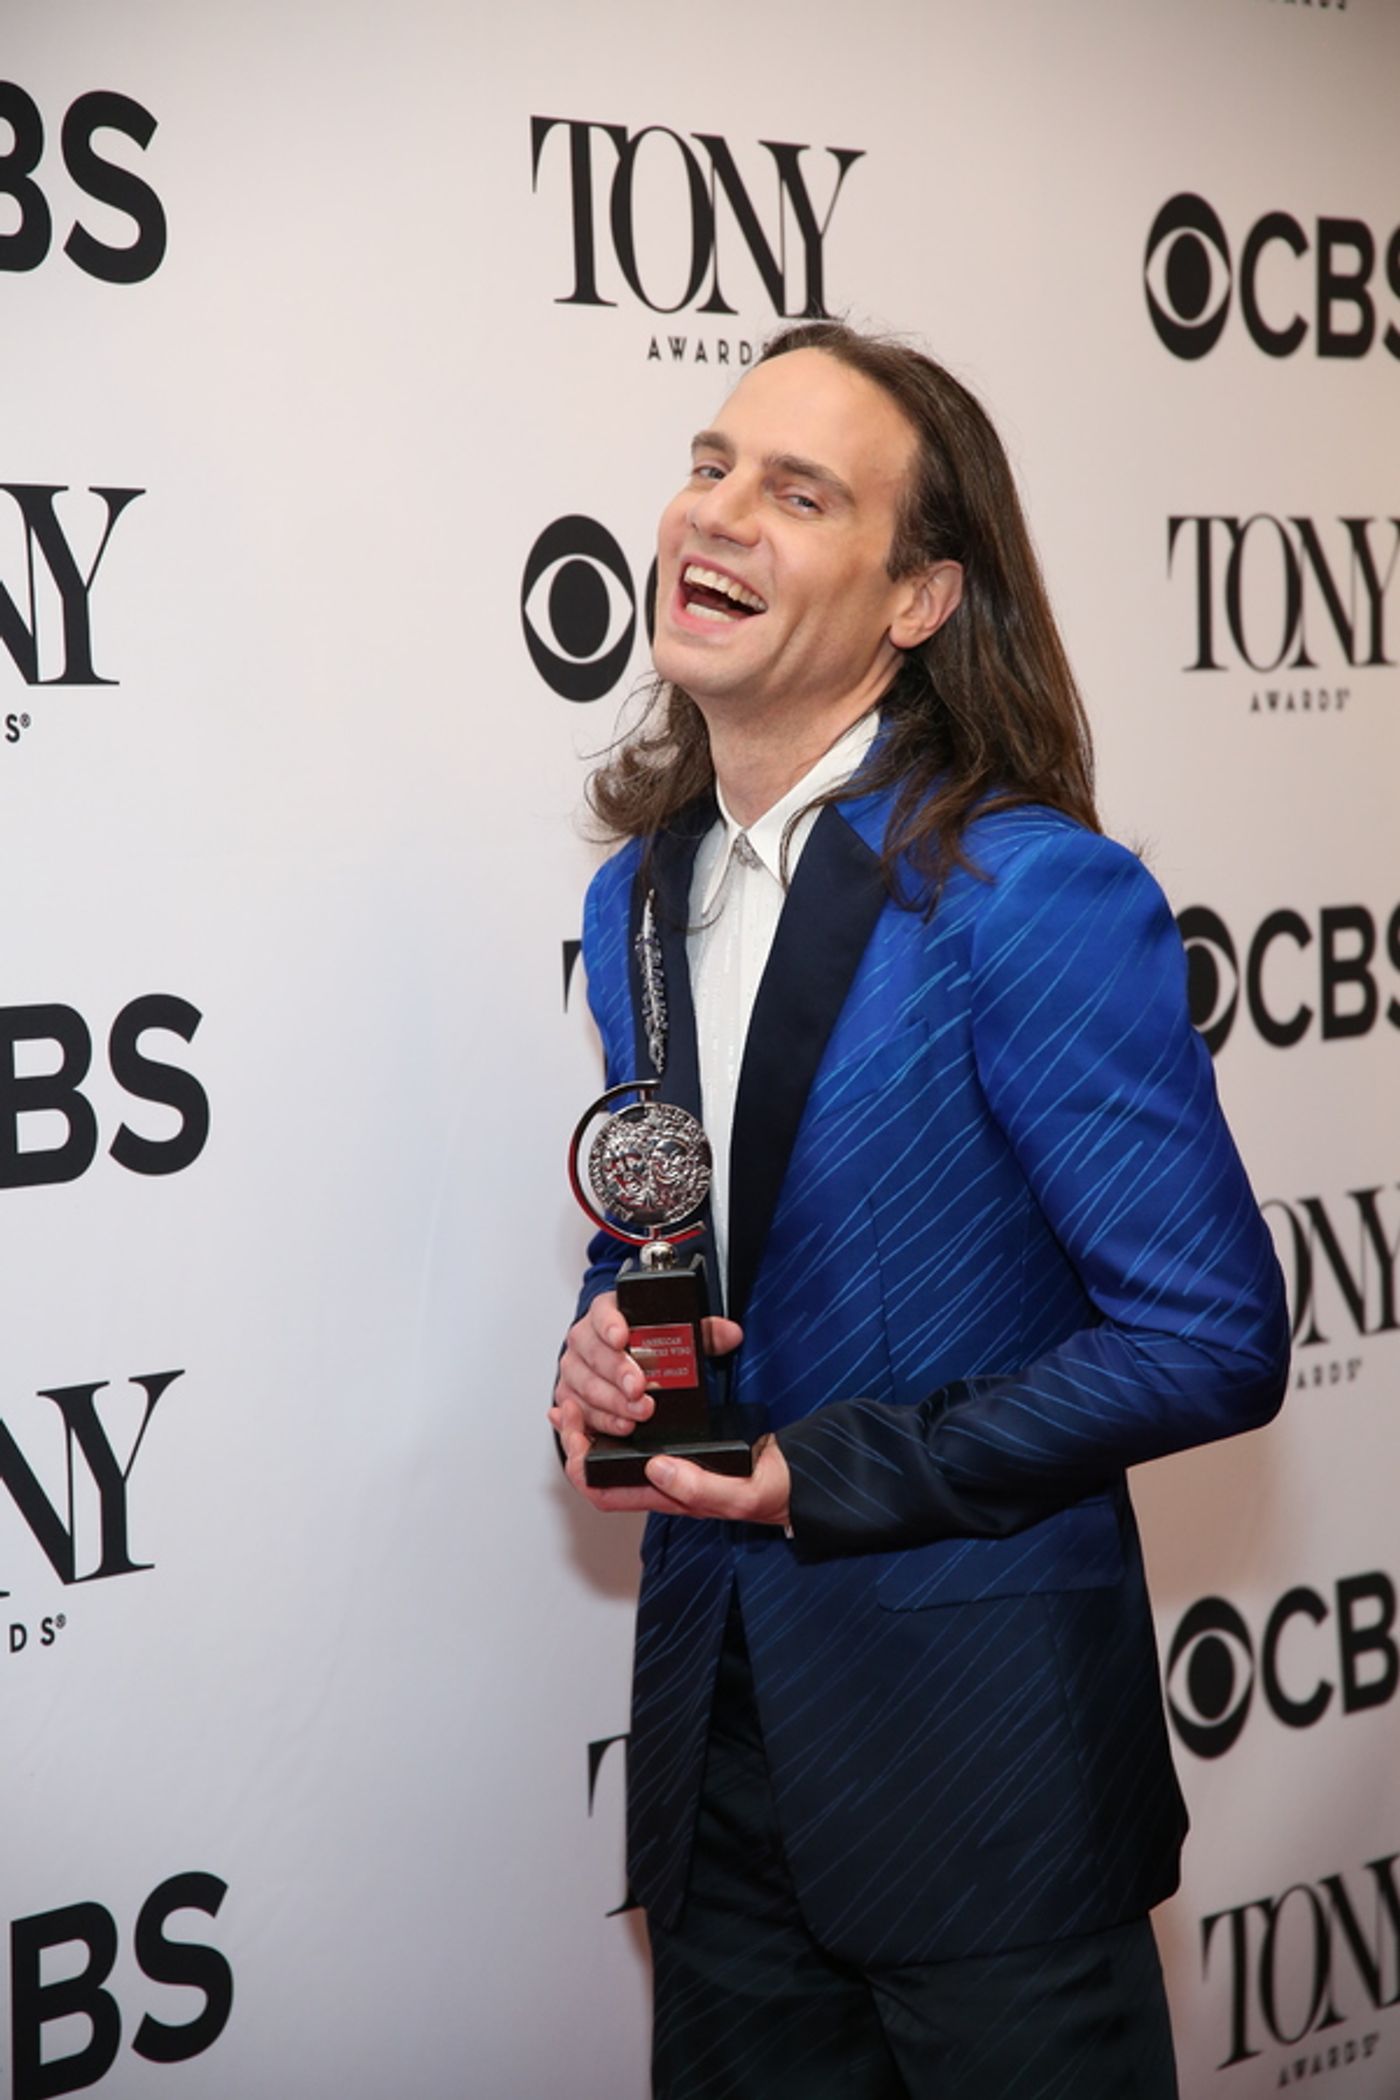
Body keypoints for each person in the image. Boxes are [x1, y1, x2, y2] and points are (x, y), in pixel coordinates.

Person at [550, 322, 1289, 2100]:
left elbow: (1211, 1339)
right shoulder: (633, 899)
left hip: (990, 1802)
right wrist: (604, 1352)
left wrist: (834, 1469)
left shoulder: (1025, 891)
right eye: (713, 464)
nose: (717, 516)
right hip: (718, 1769)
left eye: (799, 494)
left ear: (918, 600)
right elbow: (678, 1236)